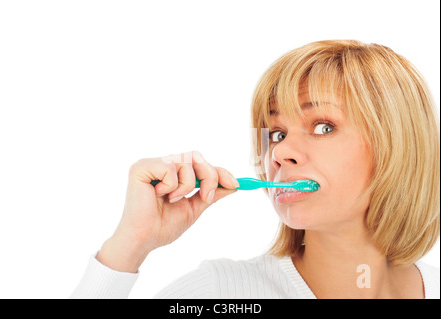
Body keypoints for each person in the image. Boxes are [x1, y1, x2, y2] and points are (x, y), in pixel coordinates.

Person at [71, 40, 440, 299]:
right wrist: (129, 245)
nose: (281, 152)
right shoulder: (221, 293)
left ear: (397, 144)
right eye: (277, 132)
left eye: (323, 126)